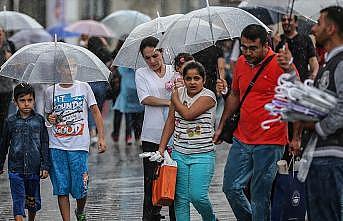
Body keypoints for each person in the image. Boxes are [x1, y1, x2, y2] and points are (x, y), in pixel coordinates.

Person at [213, 24, 300, 221]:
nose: (247, 52)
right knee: (231, 187)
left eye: (253, 48)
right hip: (242, 138)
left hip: (271, 141)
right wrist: (221, 126)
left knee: (260, 195)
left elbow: (299, 99)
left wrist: (295, 137)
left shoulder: (282, 64)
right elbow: (236, 94)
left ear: (265, 45)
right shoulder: (242, 63)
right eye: (244, 47)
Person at [44, 58, 106, 221]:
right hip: (56, 145)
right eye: (66, 66)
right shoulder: (50, 91)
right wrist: (49, 118)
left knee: (81, 187)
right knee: (61, 187)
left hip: (79, 146)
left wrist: (101, 137)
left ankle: (80, 210)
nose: (70, 70)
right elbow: (47, 116)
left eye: (73, 66)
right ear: (58, 69)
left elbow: (96, 112)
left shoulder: (84, 87)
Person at [158, 61, 217, 221]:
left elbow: (188, 114)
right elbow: (171, 121)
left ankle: (211, 218)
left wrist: (174, 98)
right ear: (183, 79)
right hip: (179, 154)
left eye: (196, 78)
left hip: (203, 155)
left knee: (198, 196)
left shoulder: (208, 96)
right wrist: (161, 149)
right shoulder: (179, 94)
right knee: (181, 199)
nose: (192, 82)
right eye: (188, 78)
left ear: (203, 80)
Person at [300, 6, 343, 220]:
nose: (314, 29)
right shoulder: (327, 64)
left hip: (333, 156)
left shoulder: (341, 62)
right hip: (318, 155)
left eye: (318, 23)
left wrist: (317, 126)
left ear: (332, 28)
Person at [135, 36, 175, 221]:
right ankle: (151, 216)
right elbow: (145, 99)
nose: (152, 61)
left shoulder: (175, 71)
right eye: (147, 58)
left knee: (175, 178)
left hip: (175, 135)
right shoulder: (141, 74)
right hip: (152, 134)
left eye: (155, 56)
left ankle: (177, 215)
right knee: (151, 179)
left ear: (162, 52)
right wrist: (170, 102)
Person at [0, 83, 50, 221]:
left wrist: (45, 165)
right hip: (15, 169)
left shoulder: (39, 121)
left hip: (34, 169)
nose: (26, 104)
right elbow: (3, 145)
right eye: (22, 100)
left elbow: (45, 143)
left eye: (30, 100)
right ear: (15, 102)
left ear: (34, 100)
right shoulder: (10, 122)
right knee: (18, 202)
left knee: (32, 202)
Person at [275, 14, 319, 81]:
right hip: (282, 81)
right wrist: (274, 45)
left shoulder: (305, 39)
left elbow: (313, 60)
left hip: (301, 81)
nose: (286, 22)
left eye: (289, 20)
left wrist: (314, 75)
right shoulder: (278, 40)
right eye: (284, 20)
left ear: (296, 23)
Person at [86, 36, 112, 144]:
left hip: (90, 83)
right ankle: (97, 130)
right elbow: (111, 57)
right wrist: (105, 45)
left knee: (90, 109)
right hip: (101, 84)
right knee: (98, 109)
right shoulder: (104, 53)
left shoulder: (87, 54)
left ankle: (92, 131)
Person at [113, 66, 144, 145]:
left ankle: (129, 137)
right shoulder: (140, 70)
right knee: (137, 120)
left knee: (130, 120)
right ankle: (136, 137)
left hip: (130, 97)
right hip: (136, 98)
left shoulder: (123, 69)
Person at [0, 26, 14, 136]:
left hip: (6, 88)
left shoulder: (9, 46)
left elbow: (17, 66)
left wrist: (10, 59)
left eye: (0, 34)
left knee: (4, 115)